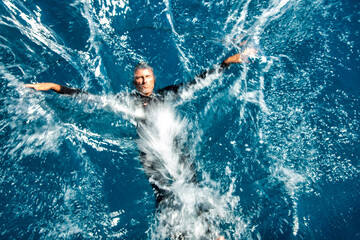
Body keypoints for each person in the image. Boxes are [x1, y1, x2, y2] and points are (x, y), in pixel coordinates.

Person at [25, 48, 256, 240]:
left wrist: (227, 62)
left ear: (154, 78)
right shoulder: (127, 102)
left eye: (147, 77)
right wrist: (54, 87)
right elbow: (89, 99)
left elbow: (198, 82)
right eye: (139, 78)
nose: (144, 81)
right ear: (134, 82)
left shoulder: (168, 94)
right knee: (165, 198)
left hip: (175, 148)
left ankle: (212, 234)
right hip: (150, 153)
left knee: (193, 190)